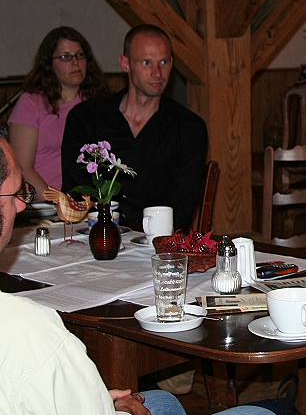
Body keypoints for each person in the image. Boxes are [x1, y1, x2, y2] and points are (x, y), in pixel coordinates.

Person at [0, 130, 276, 415]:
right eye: (15, 194)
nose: (22, 205)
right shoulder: (31, 332)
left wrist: (99, 401)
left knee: (162, 400)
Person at [61, 25, 208, 231]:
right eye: (146, 62)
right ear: (125, 63)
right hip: (96, 233)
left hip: (155, 238)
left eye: (164, 62)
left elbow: (182, 207)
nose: (157, 73)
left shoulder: (188, 127)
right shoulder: (87, 118)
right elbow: (76, 192)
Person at [8, 26, 110, 196]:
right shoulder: (31, 102)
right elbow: (22, 168)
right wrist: (58, 202)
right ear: (49, 64)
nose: (75, 63)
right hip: (43, 200)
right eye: (65, 57)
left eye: (80, 55)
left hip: (90, 199)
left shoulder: (99, 103)